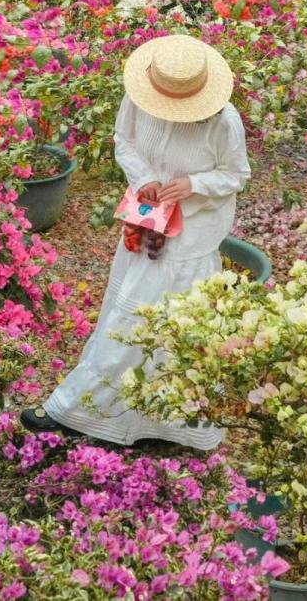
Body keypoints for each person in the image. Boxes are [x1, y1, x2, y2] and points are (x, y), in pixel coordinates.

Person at [21, 33, 250, 449]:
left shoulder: (223, 122)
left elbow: (237, 175)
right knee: (126, 312)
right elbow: (124, 141)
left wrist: (192, 184)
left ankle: (79, 409)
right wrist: (144, 179)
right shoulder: (140, 98)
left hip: (189, 241)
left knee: (152, 324)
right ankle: (109, 410)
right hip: (144, 224)